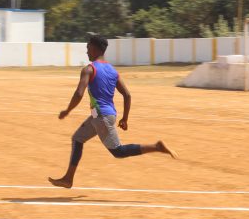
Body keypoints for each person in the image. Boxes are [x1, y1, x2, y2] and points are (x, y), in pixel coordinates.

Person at [48, 35, 177, 189]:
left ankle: (156, 147)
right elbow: (127, 95)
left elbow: (78, 94)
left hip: (101, 117)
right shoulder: (112, 71)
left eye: (88, 48)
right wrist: (125, 119)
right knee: (78, 138)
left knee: (119, 151)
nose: (87, 51)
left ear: (95, 48)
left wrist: (67, 110)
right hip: (101, 115)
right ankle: (68, 178)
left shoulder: (89, 69)